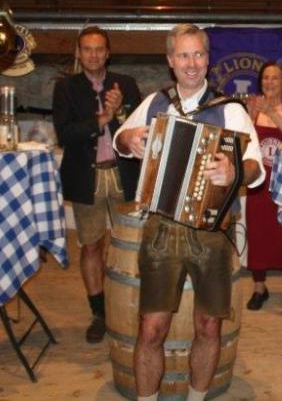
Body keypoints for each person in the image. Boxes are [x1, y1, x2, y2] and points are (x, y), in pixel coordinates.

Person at [114, 24, 262, 401]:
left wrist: (234, 171)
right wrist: (127, 138)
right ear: (170, 60)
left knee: (209, 325)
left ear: (208, 59)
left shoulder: (230, 110)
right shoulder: (155, 103)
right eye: (183, 55)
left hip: (212, 231)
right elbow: (120, 140)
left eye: (198, 54)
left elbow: (256, 167)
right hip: (161, 228)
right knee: (151, 328)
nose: (192, 63)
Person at [52, 26, 142, 343]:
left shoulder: (126, 84)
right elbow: (64, 134)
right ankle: (99, 313)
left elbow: (139, 130)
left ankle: (129, 307)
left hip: (123, 175)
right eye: (87, 49)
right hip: (85, 177)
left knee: (130, 245)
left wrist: (119, 112)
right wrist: (102, 119)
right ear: (78, 53)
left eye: (99, 49)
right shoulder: (66, 88)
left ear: (108, 53)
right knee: (91, 245)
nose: (93, 54)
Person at [244, 61, 282, 309]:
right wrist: (251, 115)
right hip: (260, 180)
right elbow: (242, 140)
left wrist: (271, 113)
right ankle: (259, 287)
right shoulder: (252, 107)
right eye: (265, 78)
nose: (269, 82)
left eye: (275, 78)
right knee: (258, 232)